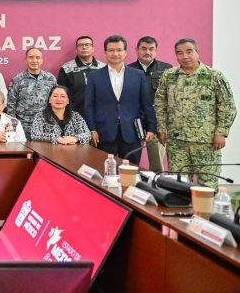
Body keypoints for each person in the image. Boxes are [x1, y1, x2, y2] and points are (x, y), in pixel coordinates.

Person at [155, 38, 236, 188]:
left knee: (208, 184)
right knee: (178, 184)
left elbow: (227, 105)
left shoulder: (214, 76)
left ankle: (205, 205)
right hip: (177, 142)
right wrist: (161, 128)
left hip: (206, 142)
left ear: (197, 52)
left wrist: (221, 132)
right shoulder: (169, 76)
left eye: (189, 51)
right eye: (179, 53)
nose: (184, 56)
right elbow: (160, 103)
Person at [84, 35, 156, 164]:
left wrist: (151, 128)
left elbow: (146, 104)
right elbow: (88, 106)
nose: (115, 53)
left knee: (130, 171)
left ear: (125, 52)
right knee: (103, 170)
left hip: (132, 133)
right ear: (105, 52)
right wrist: (92, 129)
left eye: (119, 50)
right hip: (103, 133)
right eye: (111, 50)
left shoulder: (138, 75)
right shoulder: (94, 76)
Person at [127, 36, 173, 171]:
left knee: (156, 162)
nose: (147, 52)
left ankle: (157, 182)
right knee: (131, 159)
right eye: (144, 49)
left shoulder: (167, 69)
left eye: (151, 49)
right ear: (136, 50)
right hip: (134, 122)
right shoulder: (127, 70)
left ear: (156, 51)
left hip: (158, 121)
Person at [6, 48, 57, 139]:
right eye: (31, 57)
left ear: (42, 60)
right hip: (23, 127)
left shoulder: (50, 79)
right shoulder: (17, 79)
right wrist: (14, 126)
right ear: (26, 60)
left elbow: (56, 101)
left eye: (37, 57)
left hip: (45, 125)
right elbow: (11, 104)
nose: (34, 60)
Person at [57, 36, 105, 114]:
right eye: (81, 45)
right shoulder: (66, 68)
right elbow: (61, 94)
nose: (84, 47)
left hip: (100, 114)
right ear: (76, 49)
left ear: (93, 48)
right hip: (75, 115)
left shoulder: (103, 68)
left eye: (87, 45)